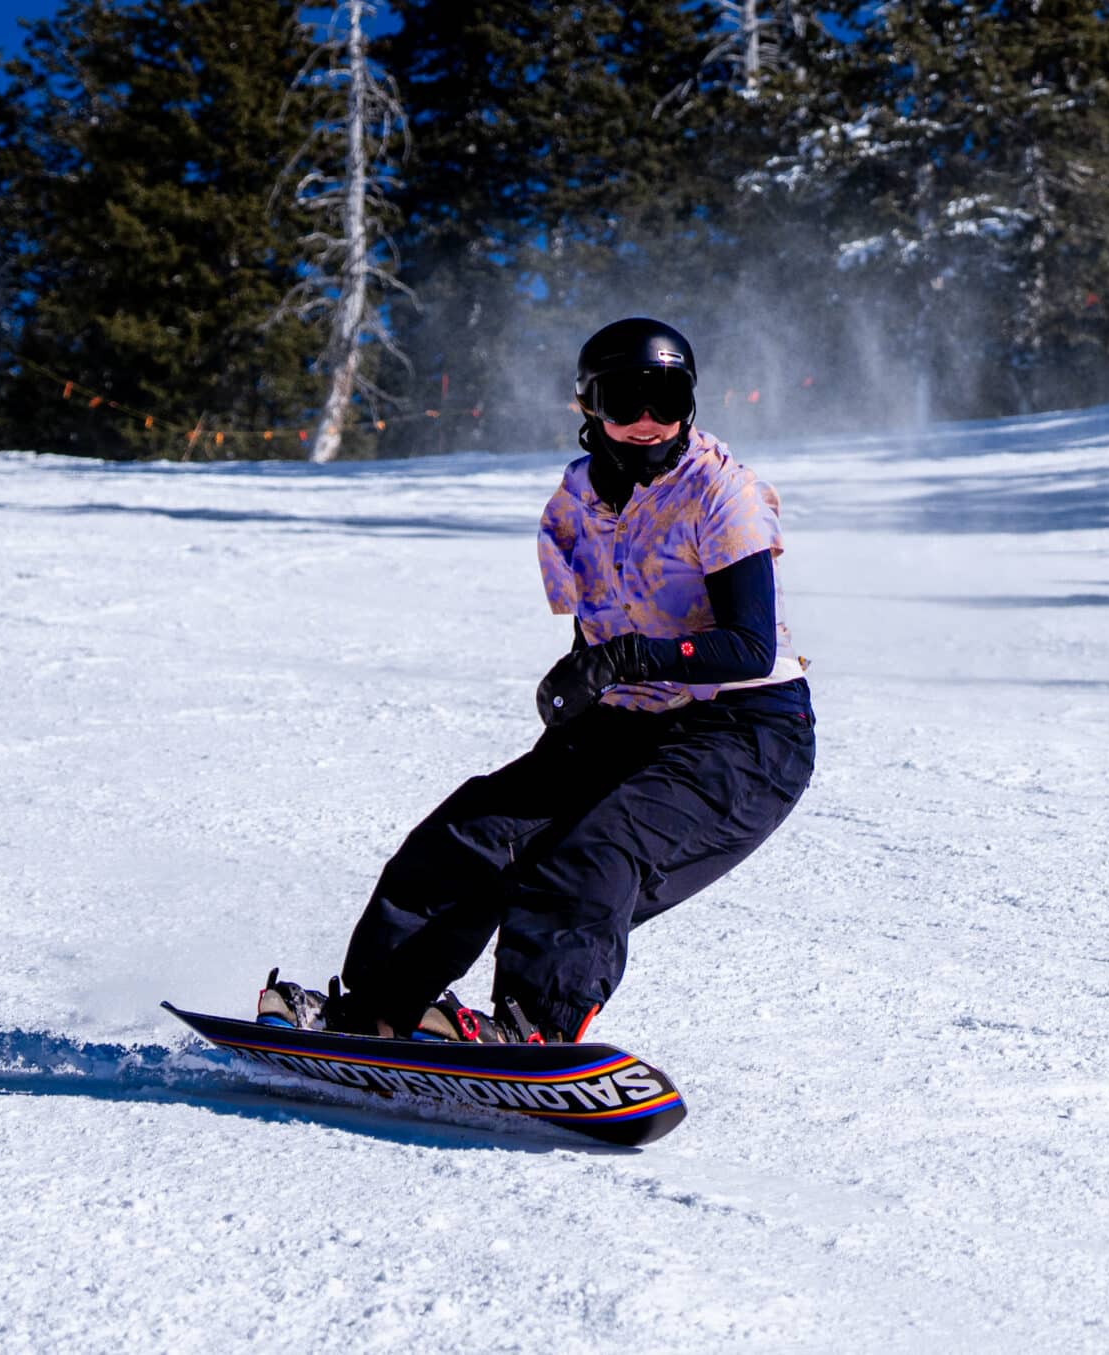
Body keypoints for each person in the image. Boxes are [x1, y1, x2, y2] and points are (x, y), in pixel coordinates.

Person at [257, 318, 815, 1044]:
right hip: (629, 718)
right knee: (475, 831)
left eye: (668, 398)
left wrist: (620, 661)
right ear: (589, 407)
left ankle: (534, 1028)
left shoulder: (718, 493)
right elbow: (599, 625)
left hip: (746, 730)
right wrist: (579, 686)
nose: (648, 422)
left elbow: (746, 645)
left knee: (594, 849)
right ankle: (378, 1011)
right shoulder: (574, 505)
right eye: (624, 401)